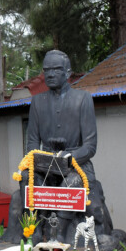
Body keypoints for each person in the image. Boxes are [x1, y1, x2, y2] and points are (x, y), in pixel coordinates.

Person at [21, 49, 97, 239]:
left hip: (75, 164)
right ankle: (35, 228)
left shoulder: (83, 99)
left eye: (56, 69)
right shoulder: (37, 102)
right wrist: (38, 159)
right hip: (44, 163)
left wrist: (70, 158)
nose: (51, 74)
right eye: (47, 70)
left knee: (72, 182)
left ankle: (59, 231)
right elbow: (31, 142)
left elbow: (90, 145)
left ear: (68, 73)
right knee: (27, 177)